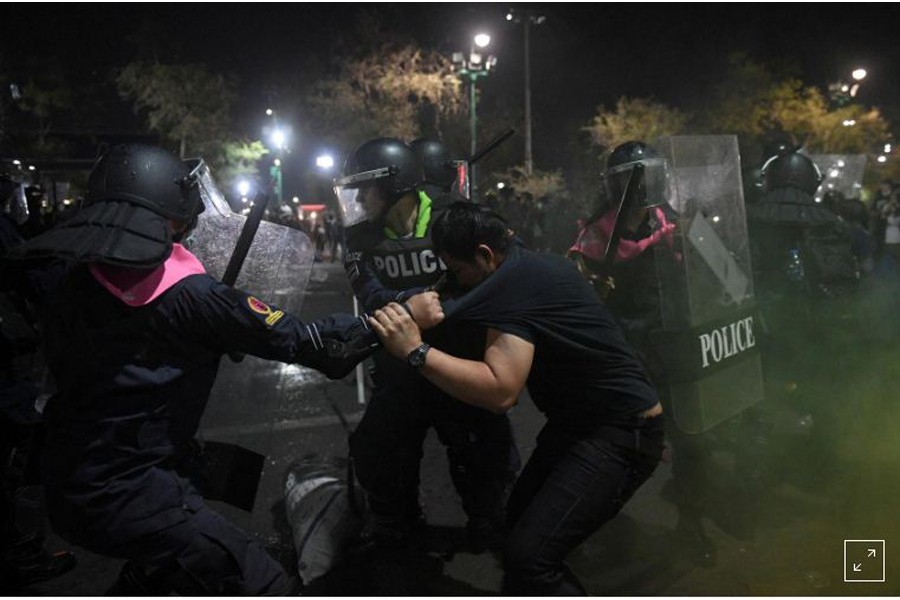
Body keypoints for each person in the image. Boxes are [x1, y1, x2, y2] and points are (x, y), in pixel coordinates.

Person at [7, 144, 381, 595]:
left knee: (167, 569)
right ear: (176, 215)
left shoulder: (68, 278)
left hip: (65, 484)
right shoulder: (195, 298)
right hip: (138, 496)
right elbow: (322, 346)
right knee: (267, 583)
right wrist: (392, 321)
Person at [368, 201, 665, 595]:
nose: (452, 280)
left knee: (531, 560)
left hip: (622, 433)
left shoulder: (514, 285)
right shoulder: (524, 263)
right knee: (516, 529)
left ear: (486, 255)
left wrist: (415, 352)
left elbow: (500, 391)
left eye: (457, 270)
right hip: (579, 426)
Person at [335, 137, 519, 557]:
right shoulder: (361, 236)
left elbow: (498, 269)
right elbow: (370, 293)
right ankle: (396, 521)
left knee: (481, 451)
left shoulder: (452, 217)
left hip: (458, 357)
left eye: (366, 187)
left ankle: (488, 519)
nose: (359, 198)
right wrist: (412, 306)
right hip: (400, 364)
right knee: (379, 449)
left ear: (395, 184)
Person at [568, 140, 727, 566]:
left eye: (649, 176)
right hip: (624, 353)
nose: (642, 188)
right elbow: (585, 297)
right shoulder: (597, 233)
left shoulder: (673, 221)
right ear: (615, 185)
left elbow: (716, 272)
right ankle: (585, 527)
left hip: (674, 347)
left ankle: (691, 525)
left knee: (694, 443)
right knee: (614, 448)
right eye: (632, 179)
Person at [0, 175, 77, 591]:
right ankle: (18, 555)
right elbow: (40, 279)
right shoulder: (6, 233)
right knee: (16, 458)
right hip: (7, 369)